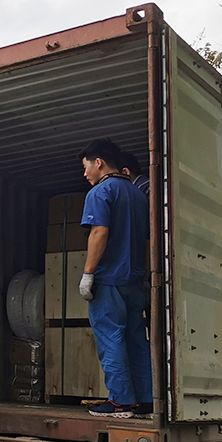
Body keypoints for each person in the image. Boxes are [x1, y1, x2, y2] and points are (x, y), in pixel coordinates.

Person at [77, 138, 154, 418]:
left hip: (109, 280)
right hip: (134, 281)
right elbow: (148, 240)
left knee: (111, 338)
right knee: (136, 339)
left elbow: (99, 232)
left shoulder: (100, 192)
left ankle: (120, 401)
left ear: (98, 163)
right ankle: (147, 400)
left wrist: (88, 274)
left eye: (86, 167)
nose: (85, 174)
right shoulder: (138, 195)